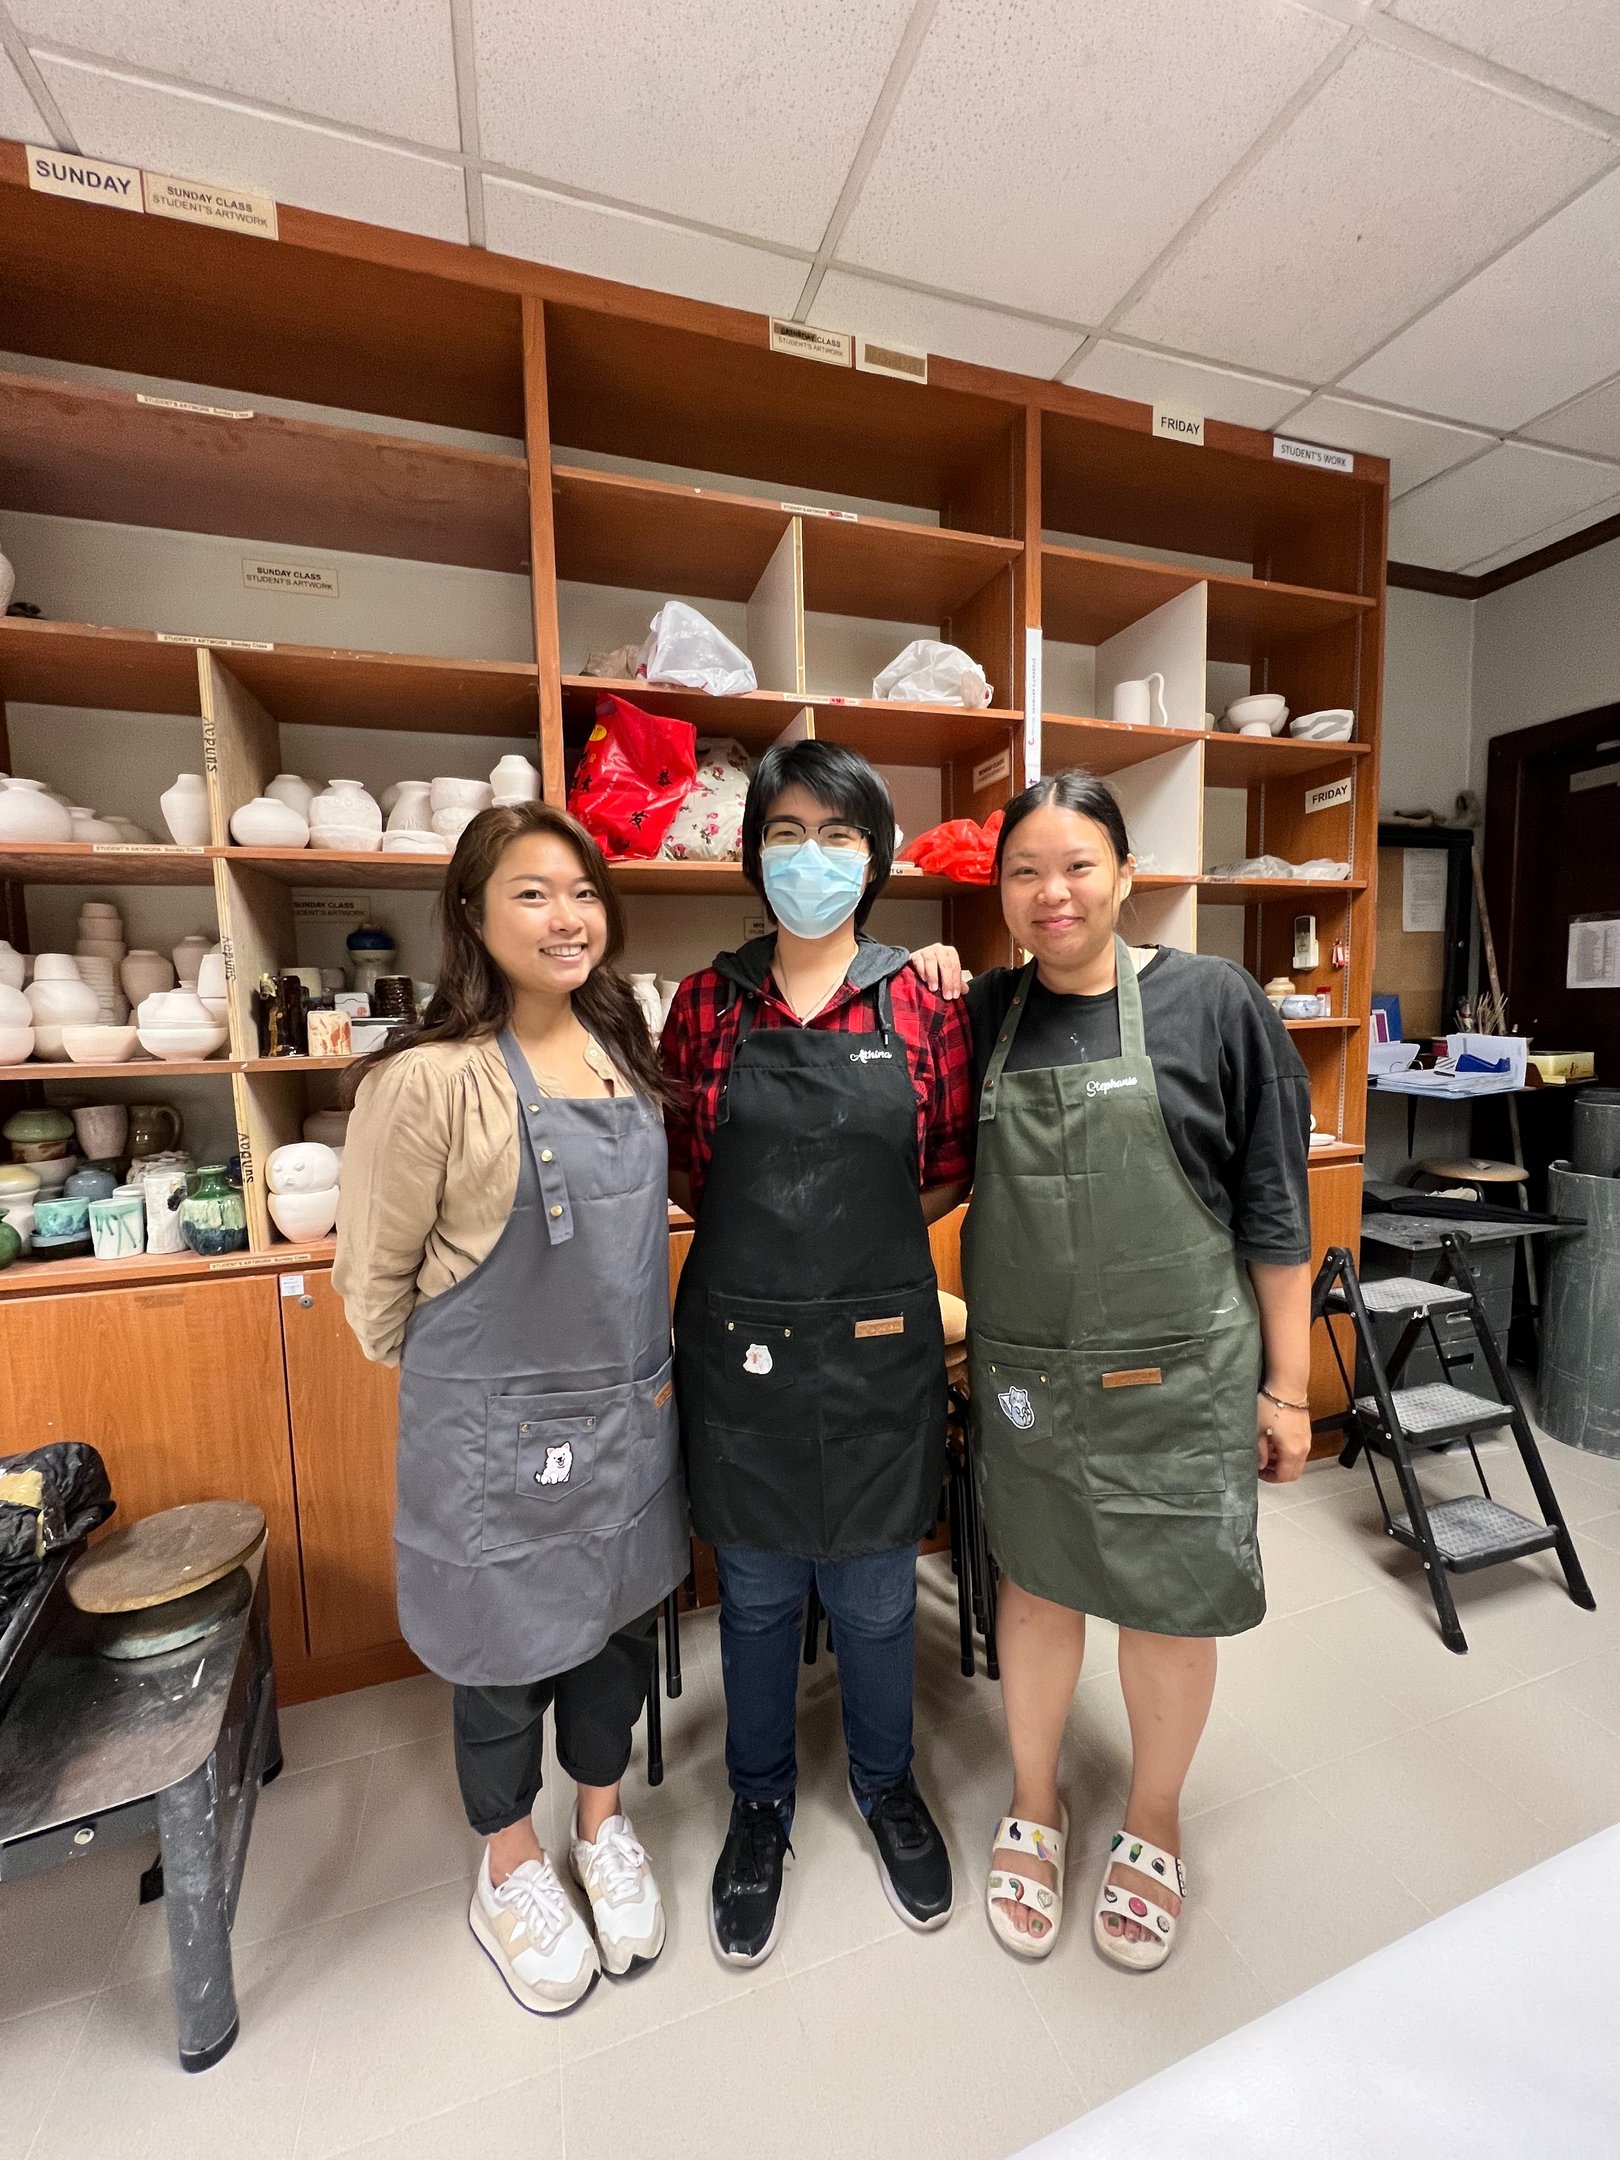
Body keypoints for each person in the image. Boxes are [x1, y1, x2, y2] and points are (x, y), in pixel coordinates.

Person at [910, 769, 1313, 1971]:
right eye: (1025, 872)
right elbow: (929, 1150)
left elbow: (1275, 1212)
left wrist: (1290, 1388)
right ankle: (1036, 1801)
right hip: (1033, 1380)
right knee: (1036, 1590)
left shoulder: (1213, 1002)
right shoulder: (986, 1012)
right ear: (999, 892)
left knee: (1167, 1602)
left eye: (1079, 865)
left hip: (1181, 1377)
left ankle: (1154, 1817)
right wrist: (916, 979)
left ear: (1128, 874)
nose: (1054, 893)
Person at [334, 803, 689, 2016]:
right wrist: (481, 1396)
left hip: (627, 1408)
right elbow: (373, 1291)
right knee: (499, 1657)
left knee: (615, 1626)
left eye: (581, 891)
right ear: (472, 917)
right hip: (495, 1432)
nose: (565, 916)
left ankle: (602, 1824)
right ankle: (508, 1867)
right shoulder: (429, 1081)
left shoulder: (623, 1050)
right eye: (531, 893)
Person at [662, 740, 975, 1967]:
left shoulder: (923, 999)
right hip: (742, 1343)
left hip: (879, 1343)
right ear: (753, 855)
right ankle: (760, 1807)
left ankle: (888, 1788)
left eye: (839, 835)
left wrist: (857, 1259)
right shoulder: (707, 1004)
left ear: (875, 857)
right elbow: (692, 1171)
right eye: (786, 833)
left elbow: (944, 1163)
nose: (812, 857)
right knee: (753, 1594)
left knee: (877, 1594)